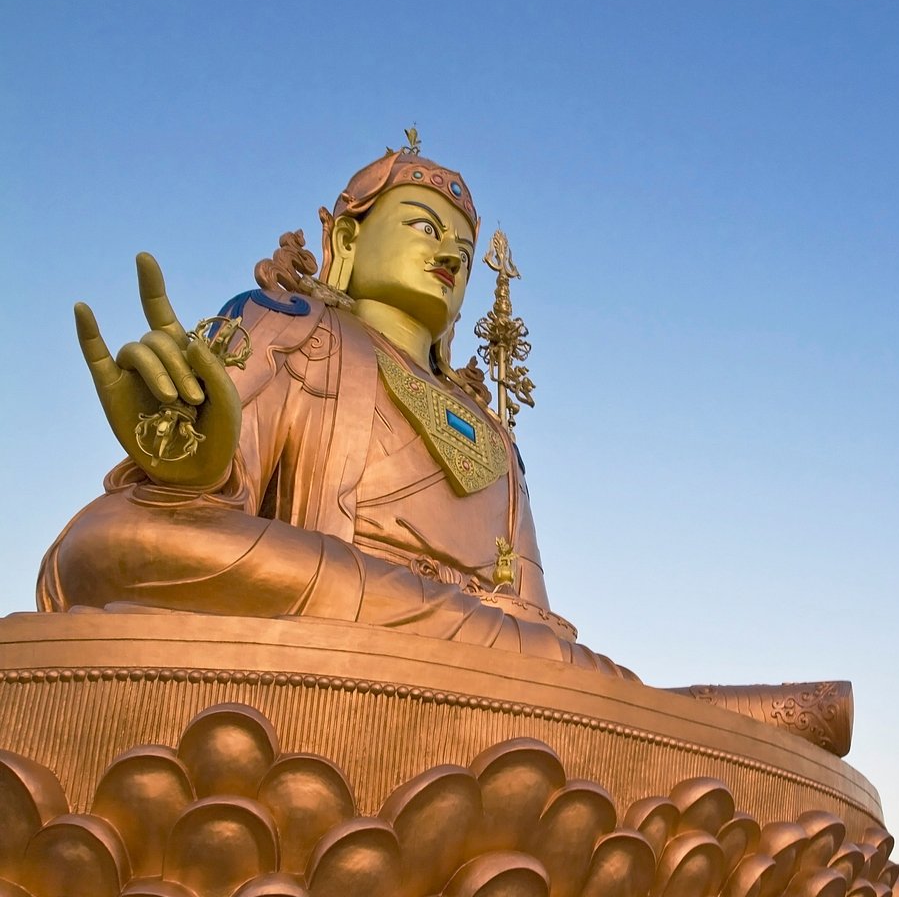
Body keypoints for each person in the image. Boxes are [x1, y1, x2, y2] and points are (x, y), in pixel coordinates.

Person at [38, 141, 626, 675]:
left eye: (466, 253)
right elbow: (192, 514)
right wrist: (190, 472)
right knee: (108, 542)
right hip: (331, 595)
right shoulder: (289, 326)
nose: (450, 253)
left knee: (569, 662)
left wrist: (515, 637)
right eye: (424, 227)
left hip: (471, 640)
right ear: (347, 240)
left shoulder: (495, 435)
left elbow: (535, 618)